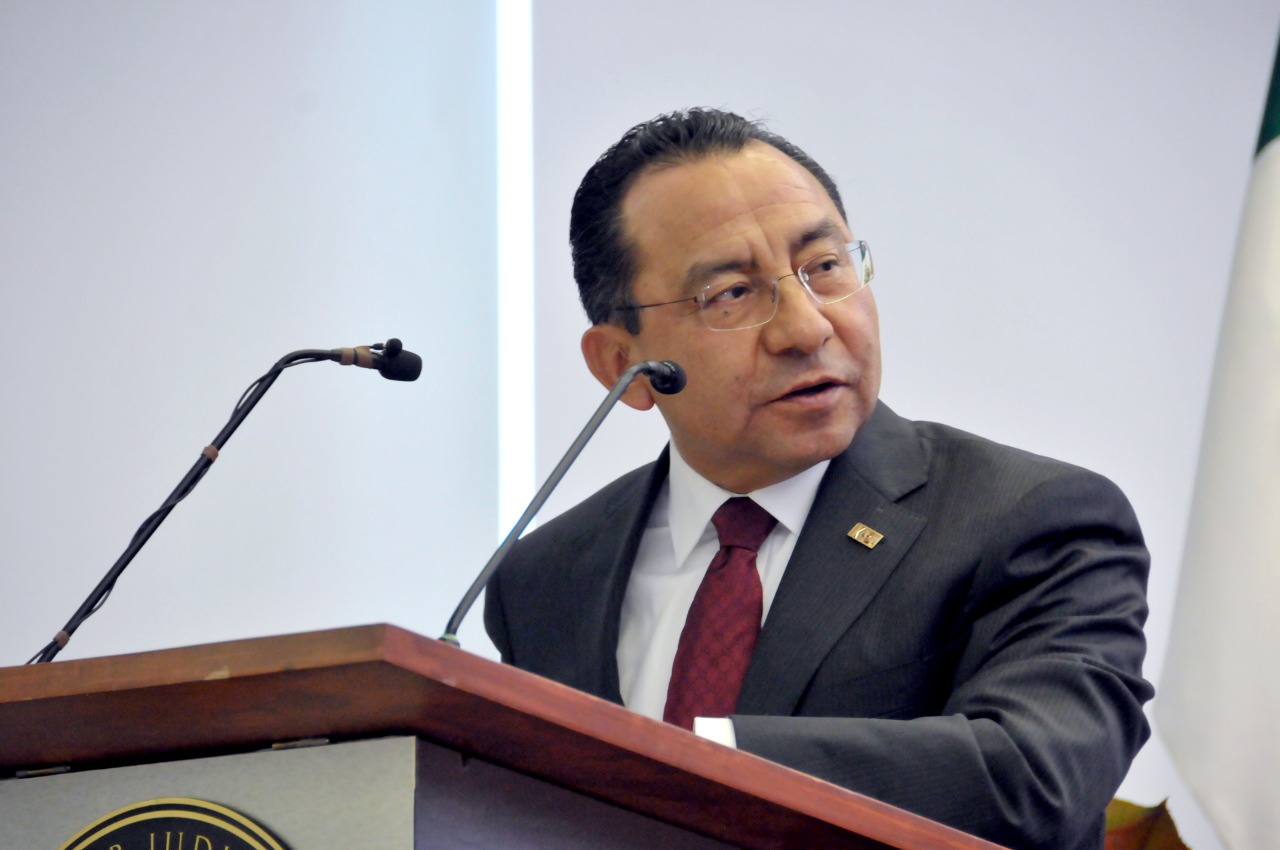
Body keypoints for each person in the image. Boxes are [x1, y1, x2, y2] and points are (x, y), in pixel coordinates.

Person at [484, 108, 1152, 850]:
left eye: (825, 267)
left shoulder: (1027, 519)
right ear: (624, 366)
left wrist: (694, 760)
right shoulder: (544, 578)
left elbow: (1038, 777)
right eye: (731, 293)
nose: (807, 328)